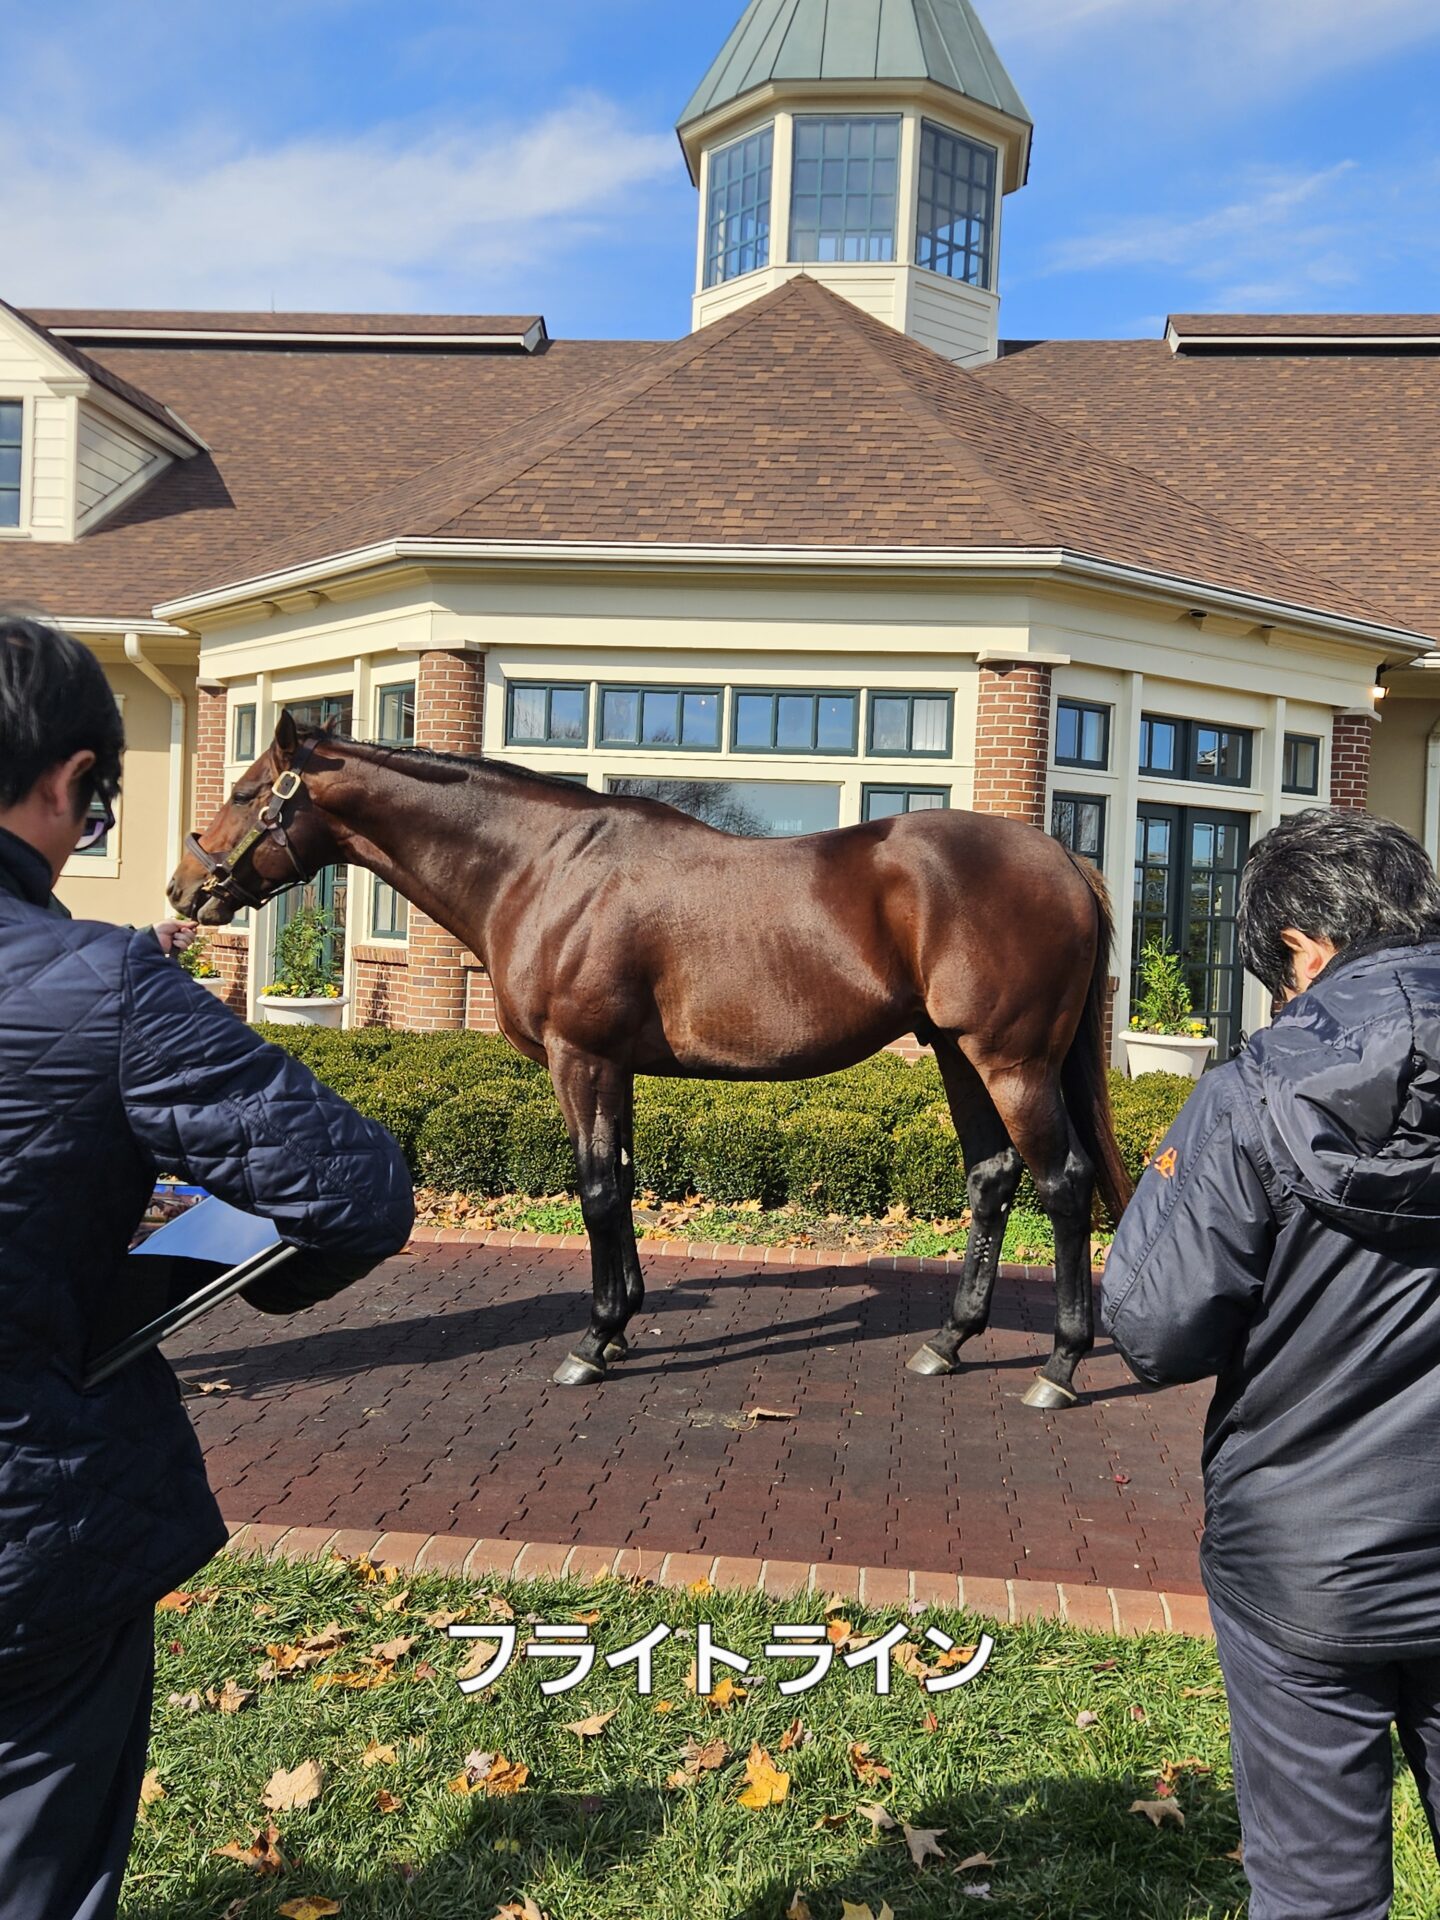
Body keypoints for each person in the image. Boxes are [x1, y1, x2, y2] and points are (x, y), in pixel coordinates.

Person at [0, 612, 415, 1919]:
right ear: (71, 784)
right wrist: (145, 1277)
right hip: (34, 1537)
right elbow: (348, 1191)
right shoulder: (105, 986)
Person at [1101, 805, 1440, 1920]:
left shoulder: (1246, 1095)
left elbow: (1151, 1329)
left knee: (1316, 1897)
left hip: (1307, 1557)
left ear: (1301, 947)